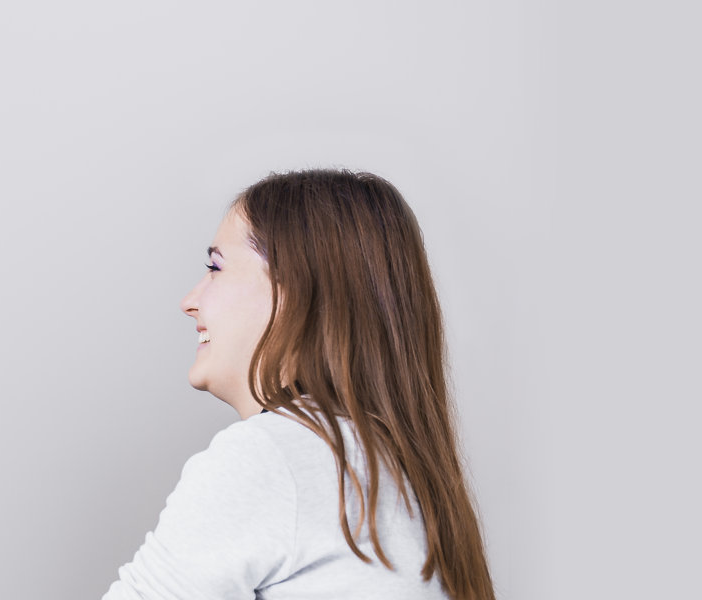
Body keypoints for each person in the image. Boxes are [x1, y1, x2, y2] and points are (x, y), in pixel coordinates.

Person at [103, 170, 495, 599]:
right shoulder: (402, 474)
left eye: (215, 268)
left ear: (294, 289)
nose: (190, 301)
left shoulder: (272, 457)